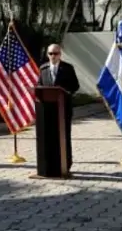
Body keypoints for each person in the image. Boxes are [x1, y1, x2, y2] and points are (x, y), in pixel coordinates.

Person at [38, 43, 80, 172]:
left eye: (56, 54)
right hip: (47, 111)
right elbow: (39, 85)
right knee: (49, 137)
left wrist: (65, 93)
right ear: (47, 55)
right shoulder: (43, 69)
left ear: (60, 55)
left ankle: (65, 164)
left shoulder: (67, 68)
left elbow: (75, 86)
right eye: (50, 54)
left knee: (64, 137)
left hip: (63, 109)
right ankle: (50, 165)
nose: (53, 56)